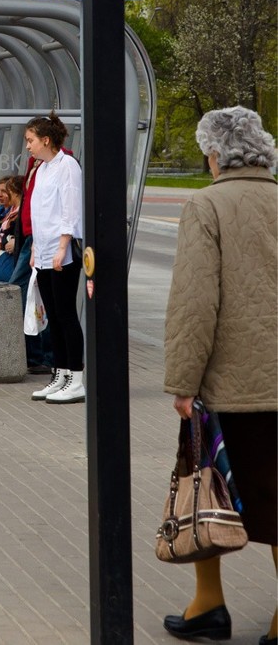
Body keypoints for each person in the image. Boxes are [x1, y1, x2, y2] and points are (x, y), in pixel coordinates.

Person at [162, 106, 277, 645]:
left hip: (230, 386)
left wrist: (183, 381)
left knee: (204, 487)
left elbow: (194, 302)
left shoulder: (207, 205)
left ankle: (208, 605)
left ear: (214, 154)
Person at [24, 112, 84, 404]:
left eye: (30, 140)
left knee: (66, 314)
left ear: (46, 140)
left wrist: (63, 246)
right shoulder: (43, 168)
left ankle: (76, 377)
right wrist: (36, 246)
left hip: (62, 253)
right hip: (45, 251)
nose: (28, 146)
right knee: (54, 317)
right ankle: (60, 375)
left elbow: (70, 209)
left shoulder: (67, 166)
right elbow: (40, 211)